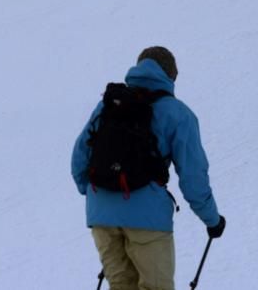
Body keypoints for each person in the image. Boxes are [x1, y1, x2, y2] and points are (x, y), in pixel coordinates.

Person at [71, 47, 225, 290]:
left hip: (101, 216)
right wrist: (212, 220)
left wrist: (96, 195)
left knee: (121, 286)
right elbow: (193, 177)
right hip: (147, 219)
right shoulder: (178, 114)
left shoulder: (109, 105)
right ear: (171, 76)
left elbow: (79, 157)